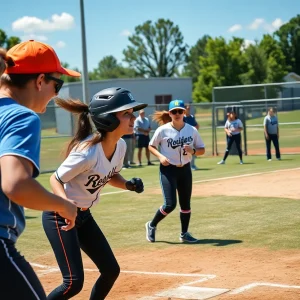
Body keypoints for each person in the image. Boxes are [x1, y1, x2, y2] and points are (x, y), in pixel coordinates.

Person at [42, 87, 146, 300]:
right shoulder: (87, 151)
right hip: (59, 216)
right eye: (126, 113)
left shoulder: (120, 146)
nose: (133, 117)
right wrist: (66, 206)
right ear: (108, 119)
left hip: (83, 215)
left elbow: (110, 175)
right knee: (72, 283)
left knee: (110, 271)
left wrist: (128, 185)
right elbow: (56, 179)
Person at [0, 40, 79, 299]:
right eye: (57, 85)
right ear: (40, 80)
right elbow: (16, 184)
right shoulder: (21, 116)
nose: (56, 94)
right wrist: (63, 205)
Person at [145, 100, 205, 243]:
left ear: (184, 112)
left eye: (180, 111)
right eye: (174, 111)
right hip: (168, 170)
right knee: (170, 205)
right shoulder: (163, 130)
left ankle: (184, 234)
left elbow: (202, 150)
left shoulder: (192, 130)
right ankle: (151, 225)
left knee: (186, 205)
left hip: (185, 169)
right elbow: (151, 146)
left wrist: (193, 151)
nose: (177, 114)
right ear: (170, 113)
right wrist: (160, 156)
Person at [184, 104, 200, 171]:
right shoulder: (182, 118)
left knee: (192, 151)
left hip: (191, 137)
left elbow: (196, 125)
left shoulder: (191, 117)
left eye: (189, 109)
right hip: (184, 137)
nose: (189, 110)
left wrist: (195, 130)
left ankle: (192, 165)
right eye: (187, 109)